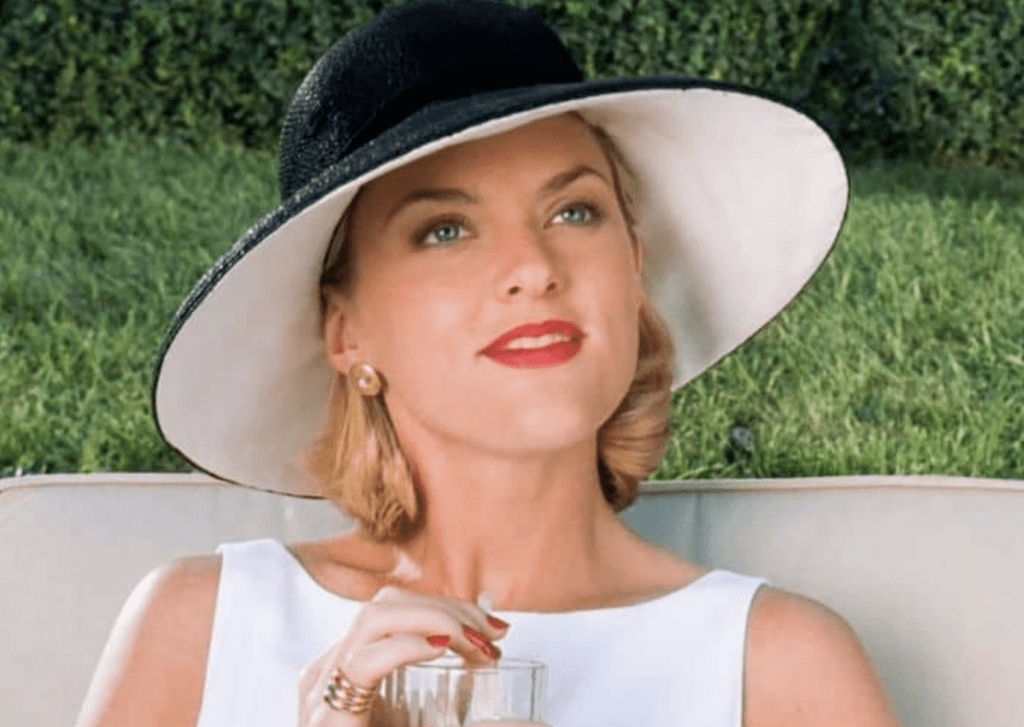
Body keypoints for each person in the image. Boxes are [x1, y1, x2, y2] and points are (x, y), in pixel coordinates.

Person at [76, 1, 902, 726]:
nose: (534, 268)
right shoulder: (200, 623)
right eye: (445, 229)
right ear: (346, 332)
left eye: (574, 211)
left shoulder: (783, 665)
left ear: (634, 270)